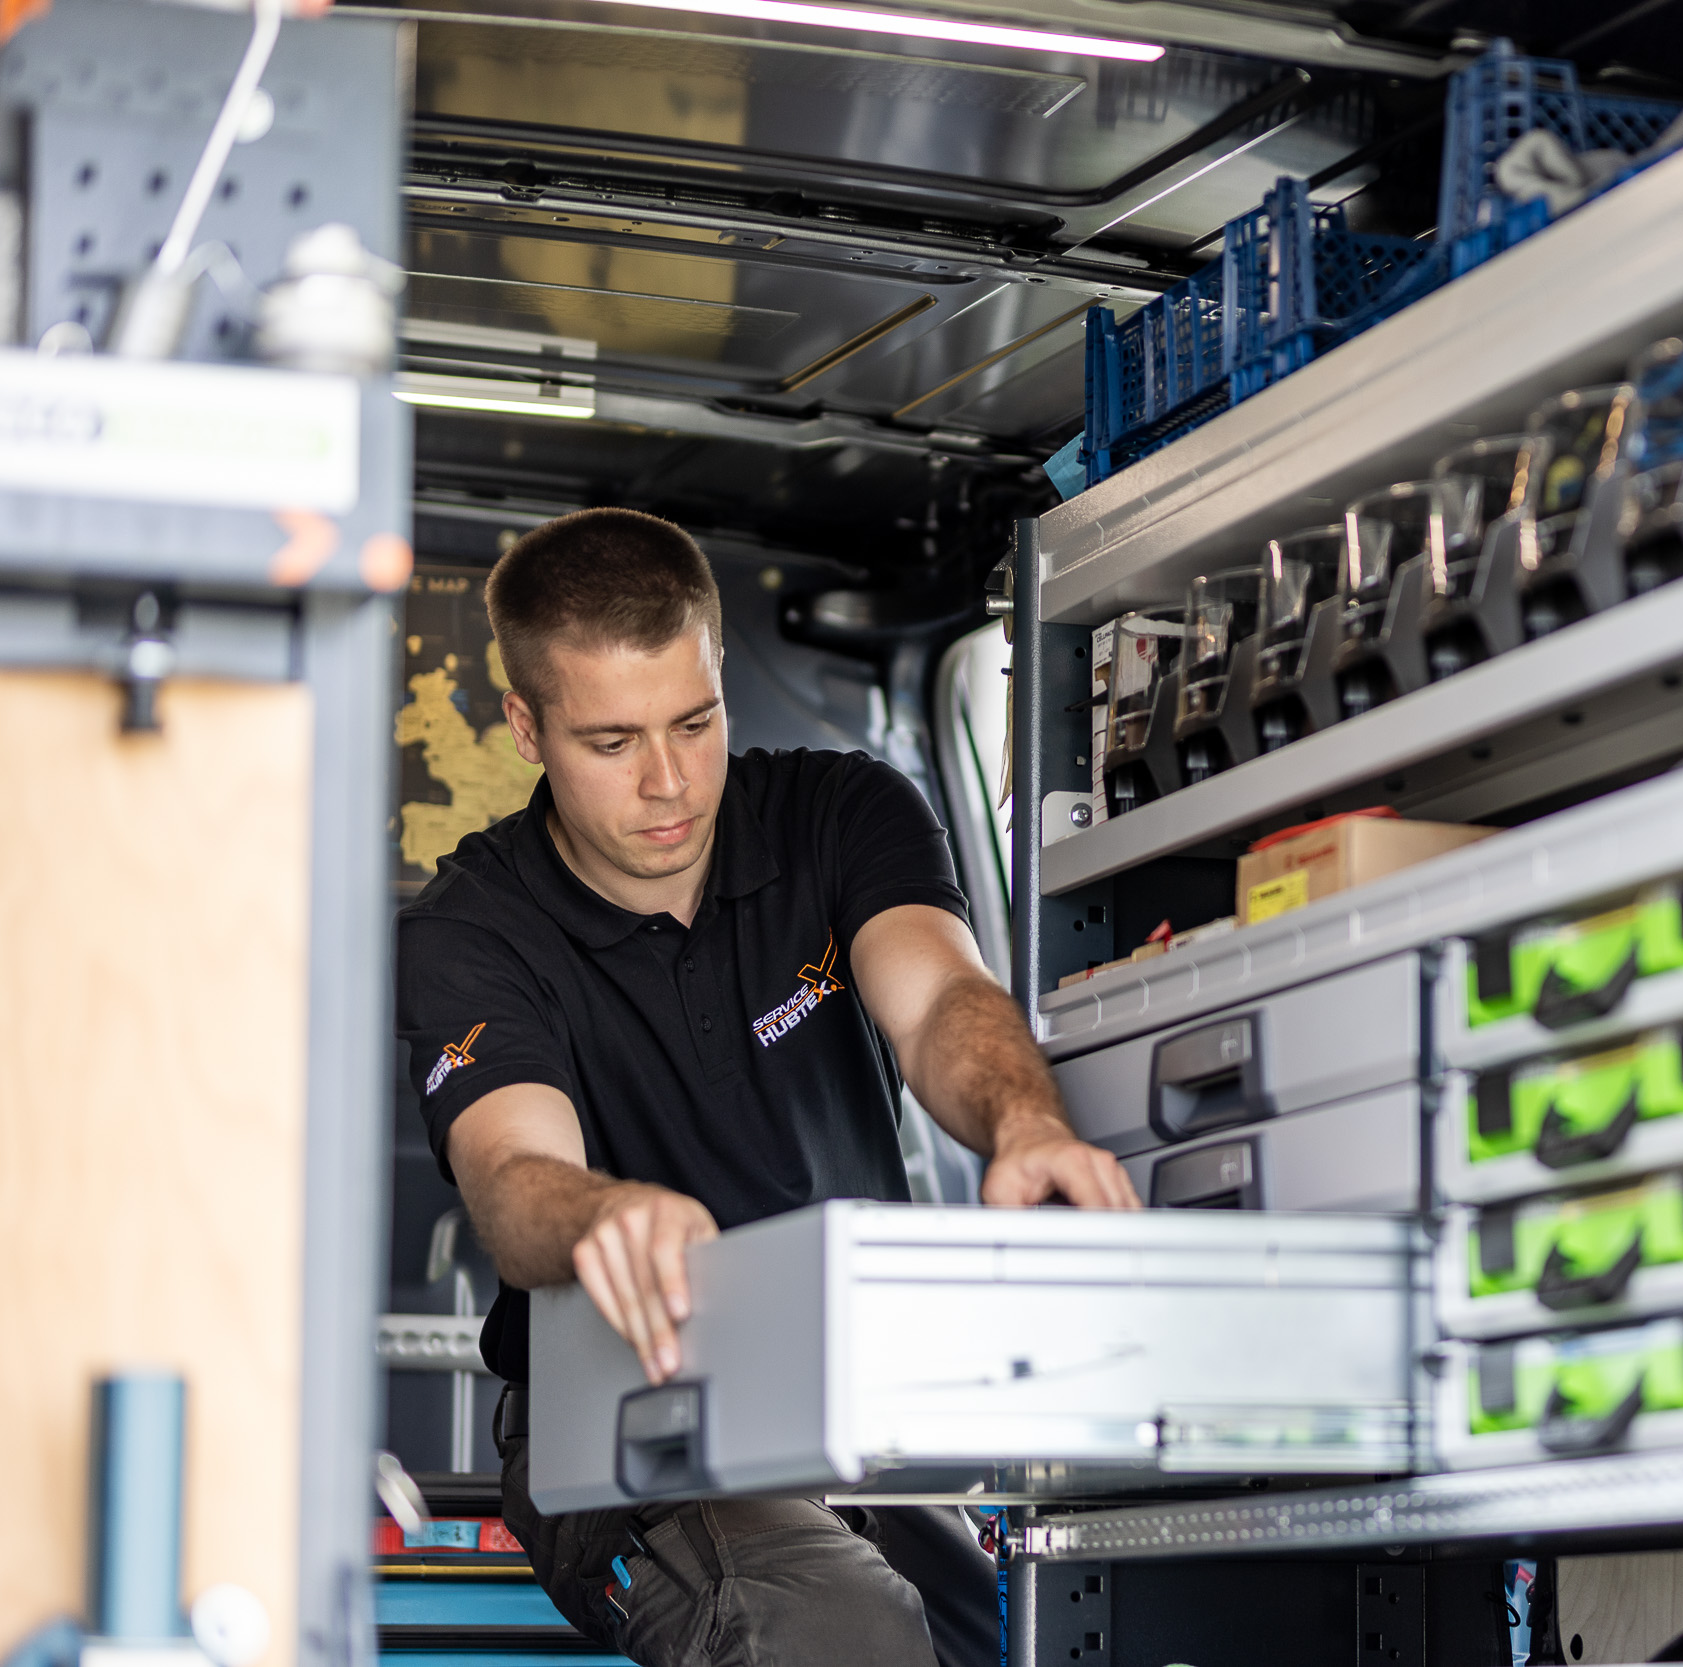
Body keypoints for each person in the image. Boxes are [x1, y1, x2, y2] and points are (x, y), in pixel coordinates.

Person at [397, 506, 1140, 1667]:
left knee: (1027, 1642)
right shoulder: (472, 926)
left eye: (695, 722)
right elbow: (509, 1168)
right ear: (526, 727)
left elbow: (939, 996)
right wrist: (600, 1211)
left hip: (852, 1385)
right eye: (611, 742)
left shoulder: (842, 810)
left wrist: (1023, 1117)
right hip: (623, 1415)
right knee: (840, 1630)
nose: (668, 782)